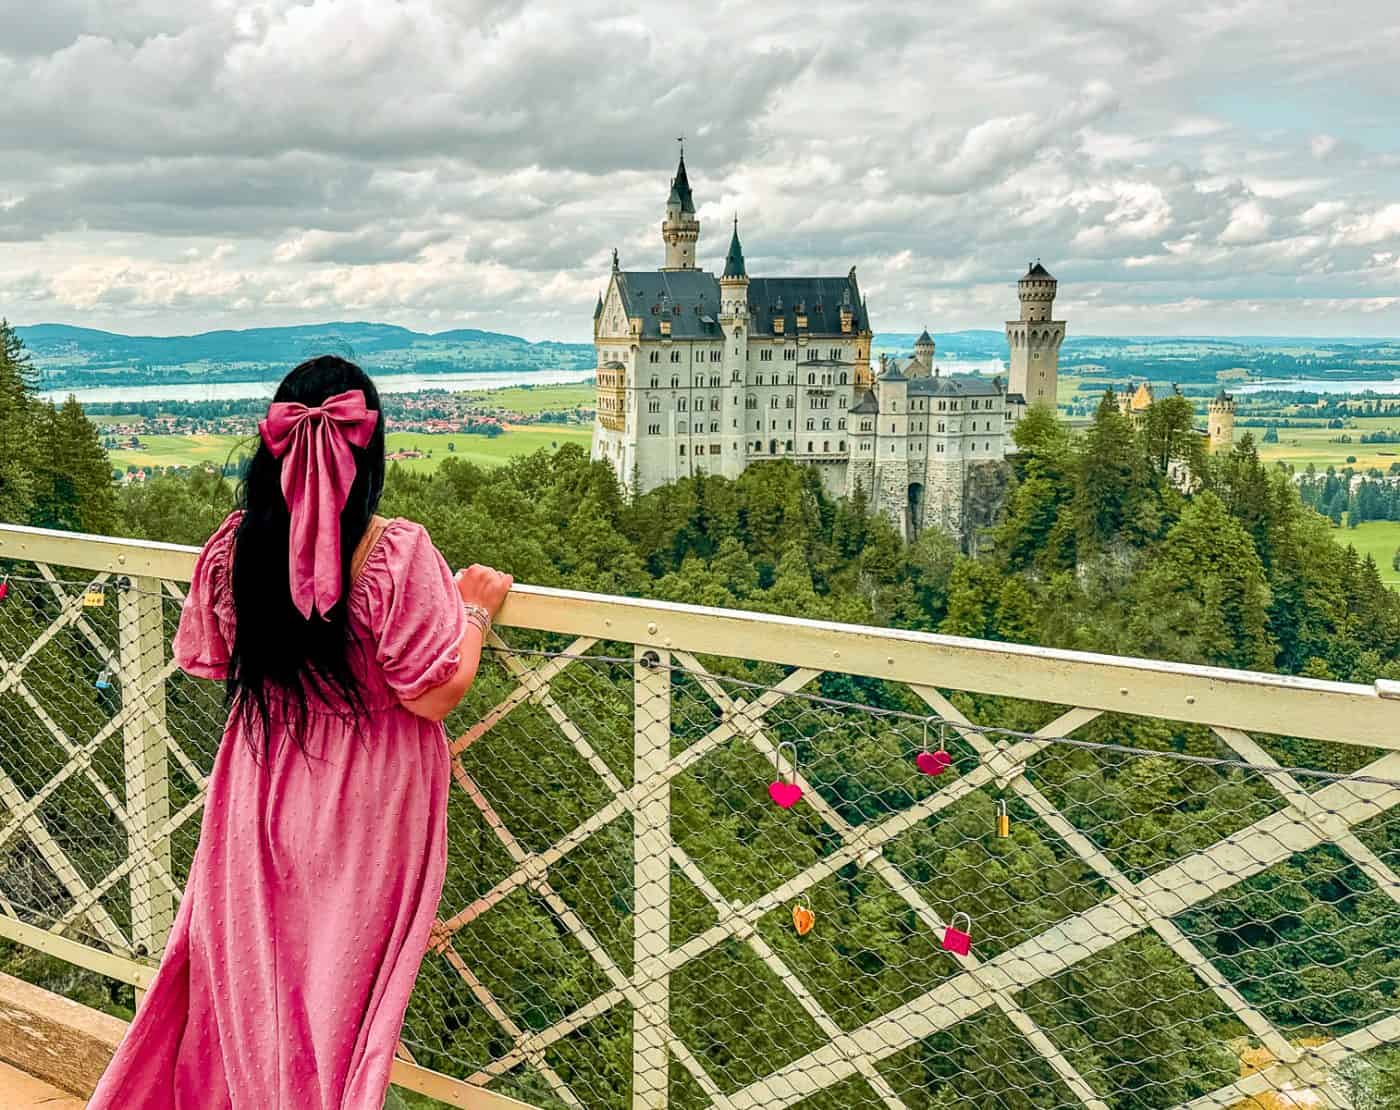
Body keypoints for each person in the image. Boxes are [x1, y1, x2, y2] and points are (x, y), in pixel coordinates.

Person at [88, 355, 512, 1109]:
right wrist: (473, 610)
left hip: (260, 775)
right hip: (370, 800)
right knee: (338, 990)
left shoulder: (234, 548)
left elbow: (207, 657)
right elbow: (434, 692)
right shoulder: (397, 553)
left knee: (253, 973)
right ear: (370, 451)